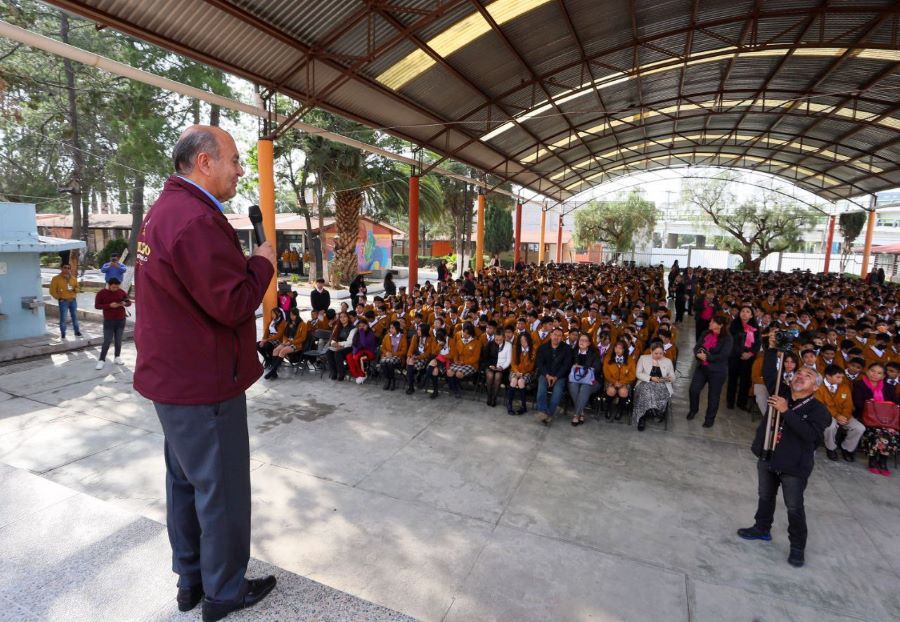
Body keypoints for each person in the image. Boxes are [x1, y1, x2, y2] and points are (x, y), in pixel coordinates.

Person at [133, 125, 277, 619]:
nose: (240, 169)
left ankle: (190, 580)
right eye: (235, 159)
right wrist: (263, 264)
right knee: (223, 493)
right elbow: (232, 303)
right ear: (204, 162)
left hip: (173, 380)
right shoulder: (195, 220)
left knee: (186, 484)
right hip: (203, 382)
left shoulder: (163, 212)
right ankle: (223, 592)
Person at [738, 341, 831, 569]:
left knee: (794, 506)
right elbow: (770, 370)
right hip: (768, 455)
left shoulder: (819, 410)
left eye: (807, 375)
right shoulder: (781, 392)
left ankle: (797, 547)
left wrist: (786, 411)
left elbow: (810, 435)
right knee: (765, 496)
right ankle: (762, 528)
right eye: (798, 372)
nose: (800, 376)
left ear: (816, 386)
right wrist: (772, 349)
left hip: (794, 464)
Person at [852, 362, 900, 475]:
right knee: (876, 431)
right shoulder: (859, 384)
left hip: (885, 419)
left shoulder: (889, 387)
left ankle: (883, 460)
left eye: (879, 373)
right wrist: (872, 405)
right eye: (872, 371)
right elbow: (858, 403)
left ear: (883, 376)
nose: (874, 374)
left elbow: (893, 403)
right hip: (866, 417)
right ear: (867, 371)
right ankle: (872, 460)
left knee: (892, 431)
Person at [687, 314, 733, 428]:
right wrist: (698, 354)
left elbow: (723, 355)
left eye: (712, 322)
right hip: (702, 368)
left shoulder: (728, 339)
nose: (709, 324)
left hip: (717, 372)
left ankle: (709, 418)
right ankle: (693, 409)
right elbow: (697, 347)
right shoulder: (705, 333)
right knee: (693, 390)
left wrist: (707, 357)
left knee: (713, 396)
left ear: (720, 325)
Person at [817, 364, 863, 462]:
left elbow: (849, 405)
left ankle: (847, 448)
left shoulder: (845, 387)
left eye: (842, 377)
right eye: (838, 377)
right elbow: (821, 406)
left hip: (843, 415)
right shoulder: (818, 387)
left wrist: (845, 416)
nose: (841, 379)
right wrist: (836, 416)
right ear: (828, 376)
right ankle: (831, 448)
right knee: (830, 427)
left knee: (859, 428)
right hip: (826, 414)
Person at [633, 341, 675, 431]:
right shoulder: (643, 358)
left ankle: (656, 411)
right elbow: (638, 374)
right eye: (656, 353)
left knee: (660, 390)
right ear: (651, 351)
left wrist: (668, 378)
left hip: (662, 384)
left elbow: (673, 376)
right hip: (645, 382)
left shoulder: (668, 361)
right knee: (646, 390)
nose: (658, 355)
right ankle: (642, 417)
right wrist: (651, 378)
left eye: (661, 353)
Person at [534, 327, 573, 425]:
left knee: (557, 392)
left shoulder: (567, 349)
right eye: (555, 335)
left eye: (559, 336)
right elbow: (539, 363)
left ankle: (549, 413)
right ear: (551, 335)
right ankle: (543, 411)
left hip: (560, 376)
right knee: (541, 388)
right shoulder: (543, 347)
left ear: (562, 338)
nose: (556, 337)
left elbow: (566, 365)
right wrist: (547, 375)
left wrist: (556, 377)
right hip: (545, 374)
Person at [93, 277, 131, 369]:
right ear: (109, 285)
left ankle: (117, 357)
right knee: (107, 341)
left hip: (121, 320)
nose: (115, 289)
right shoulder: (101, 293)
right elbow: (97, 306)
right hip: (109, 320)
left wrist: (125, 303)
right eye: (114, 287)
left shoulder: (121, 292)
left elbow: (128, 302)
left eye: (117, 287)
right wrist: (109, 305)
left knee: (118, 340)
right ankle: (101, 360)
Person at [727, 306, 760, 411]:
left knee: (745, 381)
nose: (745, 314)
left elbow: (758, 343)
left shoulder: (755, 327)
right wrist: (741, 353)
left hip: (749, 358)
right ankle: (730, 401)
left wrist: (750, 353)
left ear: (751, 315)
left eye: (747, 312)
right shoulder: (733, 325)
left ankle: (742, 403)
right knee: (732, 379)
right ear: (739, 313)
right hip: (734, 356)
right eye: (743, 311)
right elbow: (732, 342)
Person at [567, 333, 603, 426]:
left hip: (592, 380)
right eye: (580, 340)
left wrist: (581, 367)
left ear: (589, 343)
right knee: (573, 385)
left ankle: (576, 415)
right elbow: (568, 367)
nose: (582, 342)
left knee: (584, 387)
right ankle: (581, 412)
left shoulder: (594, 354)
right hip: (575, 379)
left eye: (585, 340)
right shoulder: (573, 352)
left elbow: (597, 368)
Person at [264, 308, 308, 380]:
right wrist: (285, 342)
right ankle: (274, 373)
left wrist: (291, 342)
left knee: (282, 351)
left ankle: (272, 371)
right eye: (291, 315)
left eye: (293, 315)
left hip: (296, 344)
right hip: (287, 342)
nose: (292, 317)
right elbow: (285, 335)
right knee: (275, 350)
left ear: (297, 315)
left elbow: (302, 338)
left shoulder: (303, 324)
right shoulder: (288, 323)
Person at [602, 339, 637, 420]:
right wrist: (614, 382)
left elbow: (632, 375)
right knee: (611, 390)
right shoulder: (608, 358)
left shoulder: (630, 360)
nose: (617, 350)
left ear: (624, 350)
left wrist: (622, 382)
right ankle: (608, 408)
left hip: (625, 382)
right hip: (610, 381)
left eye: (620, 348)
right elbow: (606, 373)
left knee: (623, 391)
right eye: (616, 348)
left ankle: (620, 410)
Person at [49, 263, 82, 339]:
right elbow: (52, 291)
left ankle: (77, 332)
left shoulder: (73, 278)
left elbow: (78, 288)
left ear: (70, 269)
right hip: (63, 301)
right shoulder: (56, 279)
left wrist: (74, 289)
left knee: (75, 317)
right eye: (65, 267)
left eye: (68, 268)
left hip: (73, 300)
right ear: (61, 268)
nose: (66, 269)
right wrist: (59, 298)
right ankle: (63, 333)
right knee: (63, 318)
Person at [507, 331, 536, 415]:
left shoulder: (533, 350)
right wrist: (517, 372)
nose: (523, 342)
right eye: (521, 340)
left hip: (527, 372)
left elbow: (531, 366)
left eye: (525, 340)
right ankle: (509, 405)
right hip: (515, 371)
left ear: (529, 340)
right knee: (513, 380)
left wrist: (522, 373)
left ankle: (523, 406)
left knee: (520, 381)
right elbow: (513, 363)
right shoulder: (516, 348)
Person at [483, 331, 511, 407]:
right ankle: (489, 396)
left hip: (502, 368)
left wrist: (502, 367)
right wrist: (490, 365)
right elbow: (485, 357)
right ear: (494, 338)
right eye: (496, 340)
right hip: (490, 365)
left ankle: (494, 397)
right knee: (490, 376)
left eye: (500, 340)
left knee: (498, 376)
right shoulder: (489, 344)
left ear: (504, 338)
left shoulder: (508, 345)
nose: (498, 342)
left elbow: (508, 360)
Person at [405, 323, 435, 395]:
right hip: (416, 356)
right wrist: (409, 356)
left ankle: (412, 384)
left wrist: (417, 357)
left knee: (410, 365)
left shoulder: (430, 339)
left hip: (425, 358)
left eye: (419, 330)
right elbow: (411, 348)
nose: (417, 331)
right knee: (410, 362)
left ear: (424, 331)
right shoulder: (415, 337)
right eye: (417, 329)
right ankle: (411, 386)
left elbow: (428, 353)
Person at [326, 311, 356, 381]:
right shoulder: (338, 327)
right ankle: (334, 372)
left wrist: (339, 344)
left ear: (348, 318)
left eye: (344, 317)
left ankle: (341, 373)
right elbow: (333, 337)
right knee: (329, 352)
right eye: (341, 317)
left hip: (349, 347)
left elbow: (350, 342)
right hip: (339, 346)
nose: (343, 318)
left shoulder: (353, 328)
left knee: (338, 353)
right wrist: (334, 343)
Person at [346, 318, 377, 384]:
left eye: (363, 325)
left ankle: (362, 374)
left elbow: (364, 344)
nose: (362, 327)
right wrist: (354, 352)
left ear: (367, 325)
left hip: (369, 352)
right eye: (360, 326)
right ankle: (356, 375)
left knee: (357, 357)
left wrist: (362, 332)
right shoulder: (357, 333)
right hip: (359, 351)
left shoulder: (371, 334)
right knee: (349, 356)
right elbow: (354, 344)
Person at [379, 320, 407, 391]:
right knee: (383, 362)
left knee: (389, 363)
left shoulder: (402, 337)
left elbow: (404, 351)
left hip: (398, 357)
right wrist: (386, 353)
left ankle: (392, 380)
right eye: (390, 328)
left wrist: (393, 354)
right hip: (387, 356)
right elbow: (382, 348)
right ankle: (387, 379)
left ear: (397, 328)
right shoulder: (387, 336)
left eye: (392, 328)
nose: (391, 330)